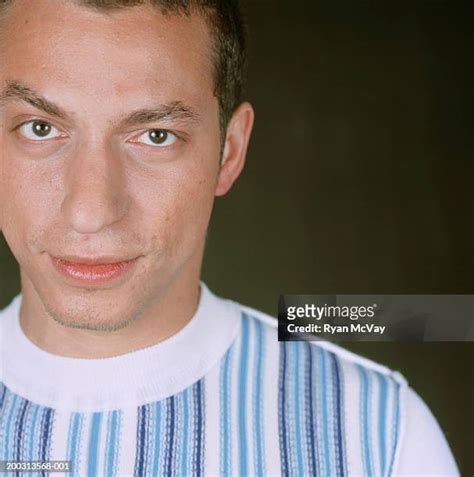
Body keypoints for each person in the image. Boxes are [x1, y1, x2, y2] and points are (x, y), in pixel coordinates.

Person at [0, 1, 459, 475]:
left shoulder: (379, 436)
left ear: (229, 151)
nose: (90, 213)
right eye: (40, 128)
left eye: (156, 135)